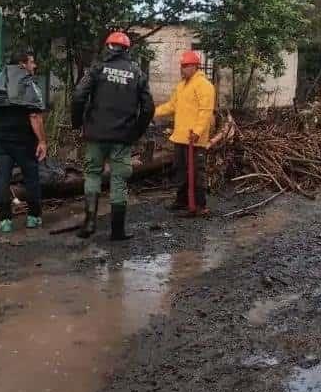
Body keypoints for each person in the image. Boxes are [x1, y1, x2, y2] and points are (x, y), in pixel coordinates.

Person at [71, 31, 154, 241]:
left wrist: (78, 123)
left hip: (96, 134)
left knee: (92, 175)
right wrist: (136, 131)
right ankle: (117, 231)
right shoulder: (137, 72)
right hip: (122, 137)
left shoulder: (97, 68)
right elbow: (148, 107)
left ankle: (89, 224)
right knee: (119, 181)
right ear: (127, 49)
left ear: (108, 47)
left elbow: (79, 95)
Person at [0, 48, 47, 234]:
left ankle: (5, 221)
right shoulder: (29, 85)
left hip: (1, 140)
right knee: (31, 176)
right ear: (22, 65)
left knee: (3, 177)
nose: (34, 65)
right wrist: (42, 141)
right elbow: (35, 116)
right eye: (31, 62)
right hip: (24, 142)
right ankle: (33, 217)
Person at [154, 50, 216, 216]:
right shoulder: (181, 86)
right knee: (181, 171)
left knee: (196, 172)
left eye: (186, 66)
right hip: (180, 138)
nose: (182, 69)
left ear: (195, 66)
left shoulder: (204, 85)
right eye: (181, 66)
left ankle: (200, 206)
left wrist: (197, 131)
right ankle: (182, 201)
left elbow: (205, 111)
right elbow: (171, 106)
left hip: (195, 139)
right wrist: (153, 112)